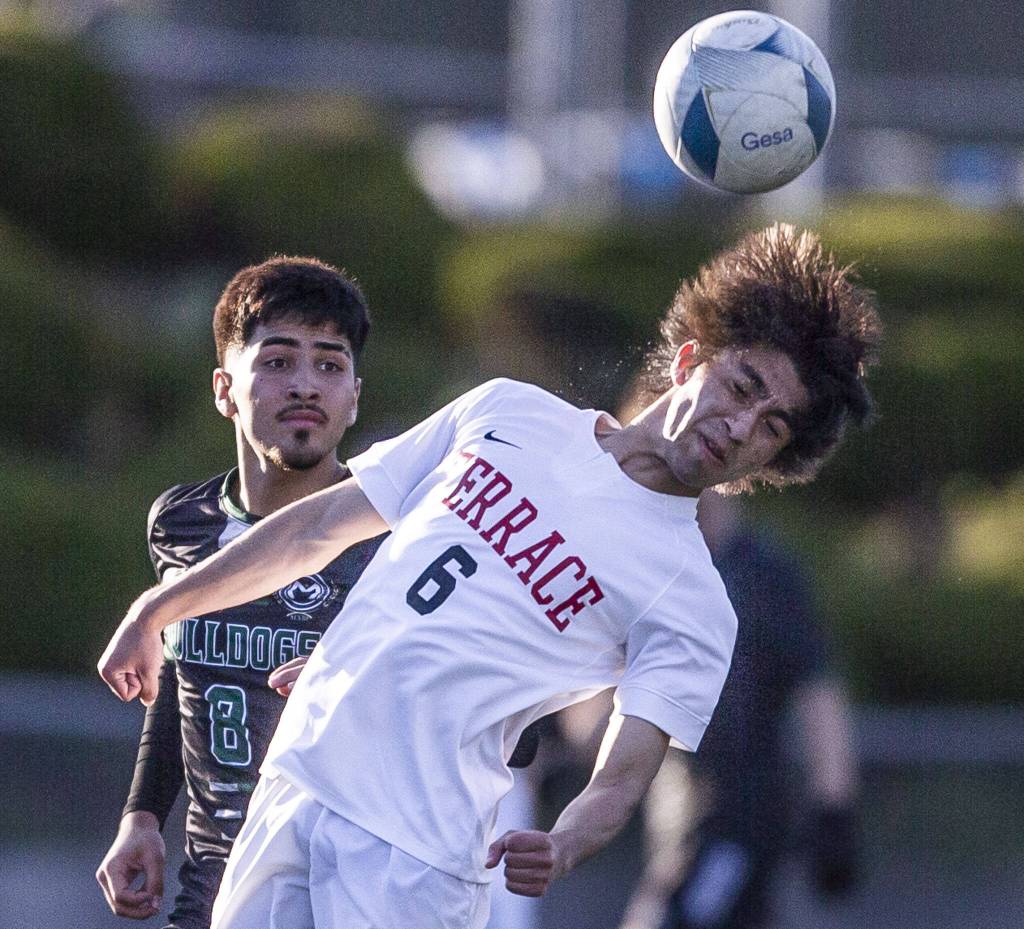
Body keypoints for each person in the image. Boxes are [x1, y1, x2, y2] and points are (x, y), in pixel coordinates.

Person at [97, 224, 882, 929]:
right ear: (689, 361)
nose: (741, 425)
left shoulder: (698, 602)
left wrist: (566, 842)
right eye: (742, 387)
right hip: (298, 774)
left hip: (415, 853)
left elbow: (623, 772)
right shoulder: (508, 409)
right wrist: (161, 604)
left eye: (772, 426)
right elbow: (314, 528)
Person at [95, 256, 386, 928]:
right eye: (279, 361)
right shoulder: (182, 521)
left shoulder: (398, 534)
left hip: (350, 892)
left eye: (330, 364)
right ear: (225, 389)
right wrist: (141, 814)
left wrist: (367, 677)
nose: (306, 385)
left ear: (355, 396)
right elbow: (184, 676)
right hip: (215, 888)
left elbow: (493, 722)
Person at [619, 492, 860, 929]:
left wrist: (834, 804)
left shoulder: (766, 575)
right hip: (675, 802)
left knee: (673, 919)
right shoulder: (647, 563)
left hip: (741, 812)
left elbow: (817, 691)